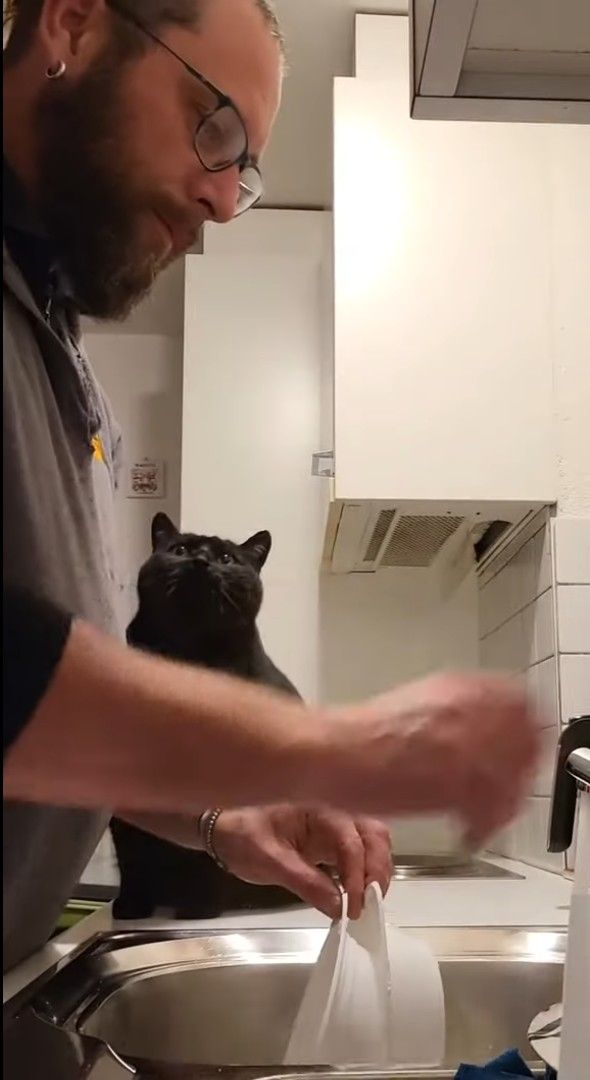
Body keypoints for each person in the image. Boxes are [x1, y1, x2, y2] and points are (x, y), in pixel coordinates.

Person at [2, 0, 539, 974]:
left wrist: (217, 823)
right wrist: (331, 744)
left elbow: (42, 733)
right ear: (73, 24)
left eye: (241, 171)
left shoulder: (55, 342)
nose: (220, 200)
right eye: (212, 126)